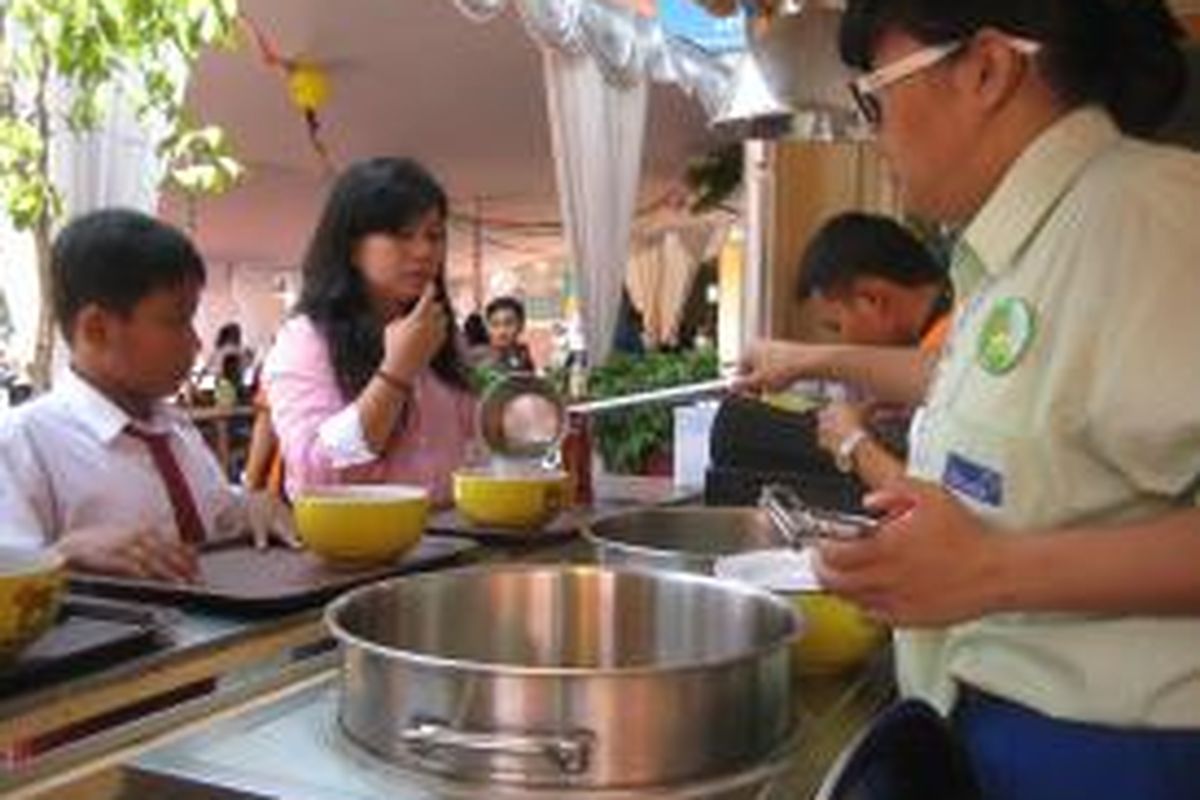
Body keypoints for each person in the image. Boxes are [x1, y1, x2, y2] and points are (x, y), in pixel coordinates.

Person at [743, 2, 1200, 798]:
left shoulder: (1148, 217)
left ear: (987, 69)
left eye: (874, 98)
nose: (870, 133)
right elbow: (1022, 398)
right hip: (990, 736)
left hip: (1113, 757)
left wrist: (992, 570)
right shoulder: (1026, 249)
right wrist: (810, 360)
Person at [0, 209, 294, 581]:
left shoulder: (175, 429)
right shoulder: (22, 444)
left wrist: (250, 508)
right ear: (97, 328)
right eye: (176, 320)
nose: (196, 341)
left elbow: (216, 515)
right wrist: (63, 554)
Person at [263, 157, 476, 505]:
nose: (424, 251)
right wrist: (397, 372)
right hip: (357, 551)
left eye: (434, 235)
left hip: (451, 542)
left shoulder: (439, 331)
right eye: (402, 235)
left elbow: (473, 445)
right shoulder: (306, 338)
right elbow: (320, 475)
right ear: (351, 246)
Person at [797, 211, 950, 489]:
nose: (842, 345)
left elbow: (934, 511)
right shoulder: (951, 325)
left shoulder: (953, 347)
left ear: (872, 300)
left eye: (836, 327)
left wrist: (853, 443)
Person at [482, 296, 535, 372]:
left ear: (521, 325)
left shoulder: (523, 357)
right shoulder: (479, 361)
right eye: (495, 324)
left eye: (508, 323)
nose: (502, 331)